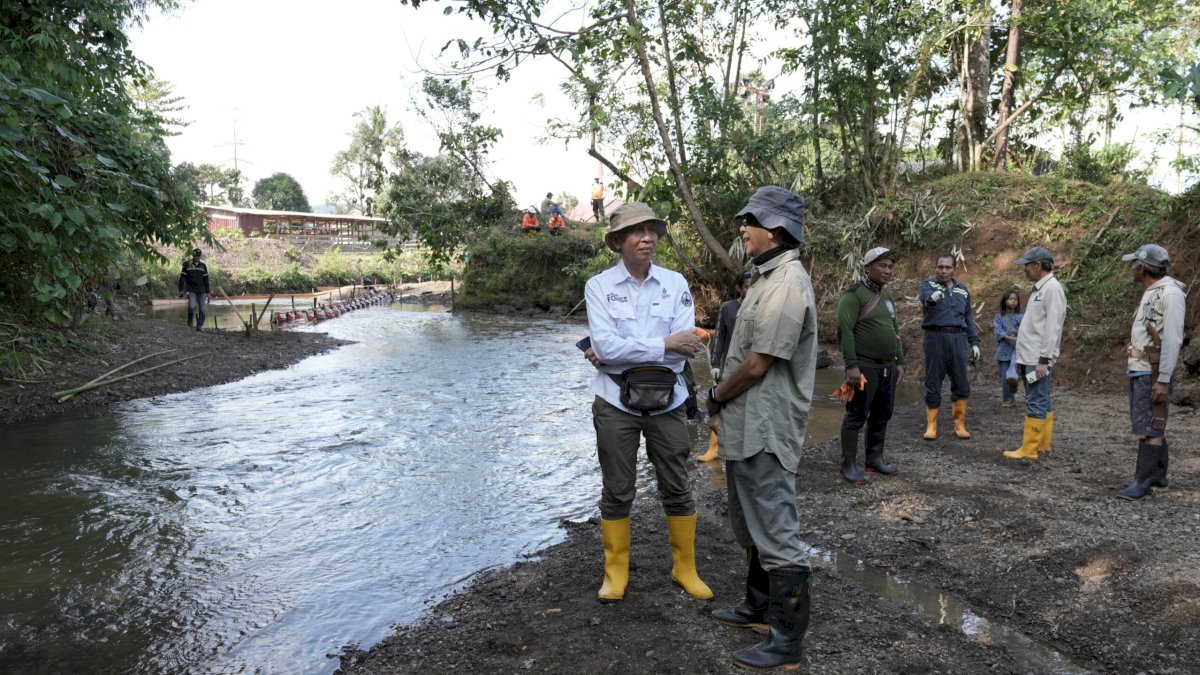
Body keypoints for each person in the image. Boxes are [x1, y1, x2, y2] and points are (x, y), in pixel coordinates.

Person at [706, 186, 816, 671]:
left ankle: (787, 641)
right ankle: (757, 606)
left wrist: (714, 396)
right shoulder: (765, 278)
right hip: (746, 424)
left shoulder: (786, 284)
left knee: (776, 529)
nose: (743, 231)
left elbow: (756, 365)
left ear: (773, 229)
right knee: (752, 523)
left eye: (748, 222)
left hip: (766, 428)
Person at [583, 201, 712, 603]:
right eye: (638, 232)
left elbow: (684, 349)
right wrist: (662, 343)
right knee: (617, 489)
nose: (648, 238)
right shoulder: (599, 286)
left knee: (677, 483)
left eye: (653, 230)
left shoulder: (675, 284)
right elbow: (603, 346)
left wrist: (631, 350)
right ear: (619, 241)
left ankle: (684, 568)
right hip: (614, 402)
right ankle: (615, 573)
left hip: (669, 400)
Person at [1117, 244, 1186, 499]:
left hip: (1153, 370)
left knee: (1152, 424)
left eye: (1134, 264)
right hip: (1141, 367)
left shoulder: (1170, 294)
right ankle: (1157, 474)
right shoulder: (1152, 291)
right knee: (1150, 420)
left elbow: (1172, 339)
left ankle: (1143, 482)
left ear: (1142, 267)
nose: (1132, 268)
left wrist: (1163, 379)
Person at [835, 247, 906, 485]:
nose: (887, 270)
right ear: (867, 267)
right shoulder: (853, 294)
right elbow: (844, 331)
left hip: (887, 366)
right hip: (863, 366)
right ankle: (848, 465)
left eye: (890, 266)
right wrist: (851, 366)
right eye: (882, 266)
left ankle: (874, 459)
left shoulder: (886, 298)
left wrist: (900, 362)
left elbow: (895, 332)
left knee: (882, 413)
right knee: (856, 415)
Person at [1004, 246, 1067, 460]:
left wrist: (1044, 360)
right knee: (1041, 399)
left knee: (1036, 399)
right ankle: (1042, 445)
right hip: (1030, 356)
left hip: (1038, 358)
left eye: (1027, 266)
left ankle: (1029, 449)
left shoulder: (1052, 289)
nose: (1025, 270)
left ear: (1037, 265)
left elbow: (1053, 328)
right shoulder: (1040, 289)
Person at [918, 253, 981, 440]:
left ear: (954, 269)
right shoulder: (927, 285)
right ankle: (931, 425)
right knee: (933, 381)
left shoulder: (963, 290)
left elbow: (969, 318)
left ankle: (959, 425)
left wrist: (974, 342)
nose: (944, 270)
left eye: (947, 267)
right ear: (935, 268)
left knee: (961, 381)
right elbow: (924, 298)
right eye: (940, 267)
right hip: (935, 337)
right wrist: (931, 298)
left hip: (958, 339)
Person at [696, 270, 752, 462]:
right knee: (720, 407)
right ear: (739, 288)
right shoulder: (728, 308)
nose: (750, 290)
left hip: (751, 367)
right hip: (729, 367)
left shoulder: (761, 308)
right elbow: (719, 337)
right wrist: (714, 363)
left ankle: (744, 448)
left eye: (753, 286)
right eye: (746, 286)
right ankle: (714, 448)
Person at [993, 289, 1023, 408]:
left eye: (1015, 299)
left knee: (1012, 372)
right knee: (1004, 376)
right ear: (1005, 301)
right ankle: (1009, 396)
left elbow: (1026, 330)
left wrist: (1020, 339)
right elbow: (998, 332)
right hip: (1004, 349)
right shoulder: (999, 317)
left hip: (1018, 349)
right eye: (1010, 299)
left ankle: (1009, 399)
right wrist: (1011, 338)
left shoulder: (1021, 317)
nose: (1013, 301)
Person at [178, 248, 210, 332]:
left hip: (202, 290)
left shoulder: (203, 266)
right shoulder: (187, 264)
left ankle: (199, 325)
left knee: (202, 308)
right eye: (195, 256)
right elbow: (182, 278)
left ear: (200, 256)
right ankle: (190, 320)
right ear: (193, 255)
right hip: (191, 289)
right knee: (192, 306)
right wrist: (180, 290)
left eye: (198, 256)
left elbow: (206, 279)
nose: (197, 258)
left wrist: (208, 292)